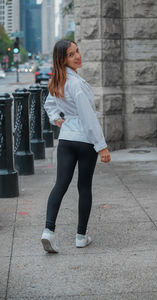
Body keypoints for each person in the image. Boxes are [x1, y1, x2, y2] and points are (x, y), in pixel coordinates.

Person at [41, 39, 111, 253]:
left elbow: (49, 105)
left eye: (77, 51)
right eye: (71, 54)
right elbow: (88, 119)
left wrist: (57, 120)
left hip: (66, 138)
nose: (78, 56)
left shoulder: (57, 81)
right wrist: (102, 146)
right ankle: (81, 236)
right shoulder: (77, 85)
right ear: (62, 59)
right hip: (84, 139)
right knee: (84, 187)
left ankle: (48, 231)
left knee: (60, 184)